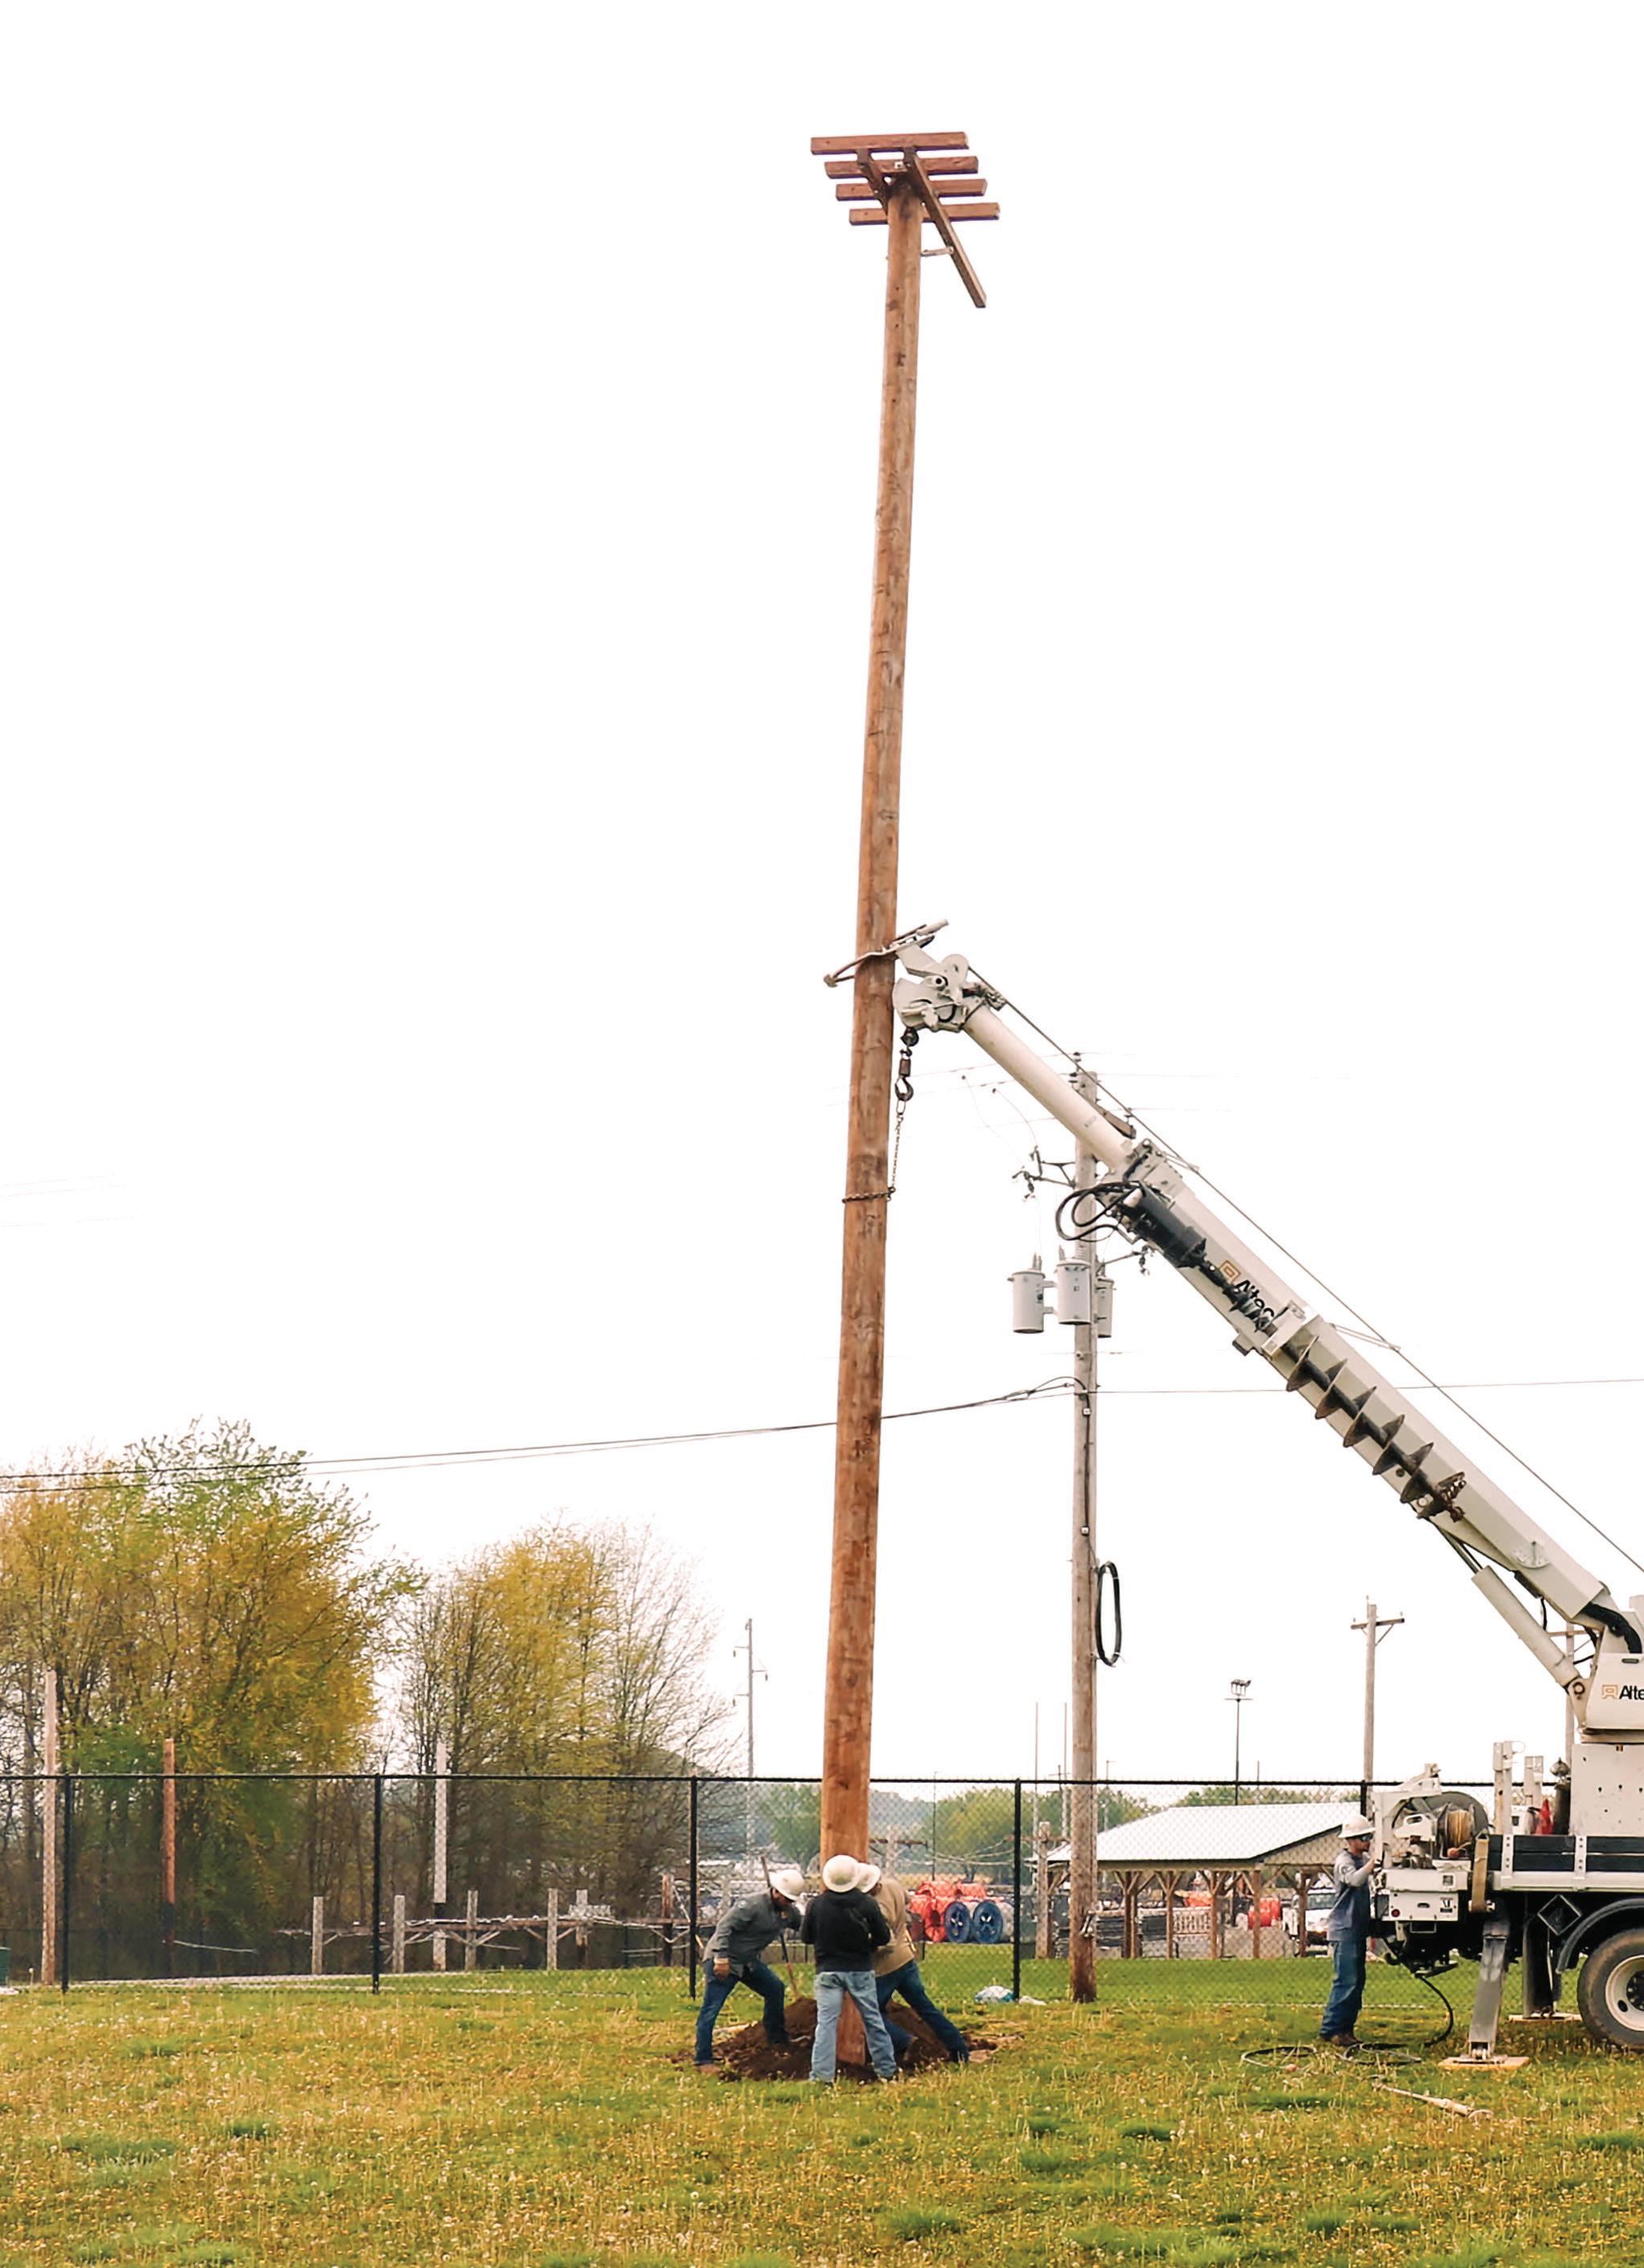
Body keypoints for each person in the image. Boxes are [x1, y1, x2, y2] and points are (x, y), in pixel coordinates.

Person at [694, 1866, 806, 2070]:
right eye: (786, 1899)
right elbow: (724, 1928)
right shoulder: (751, 1905)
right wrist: (721, 1958)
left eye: (792, 1900)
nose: (788, 1903)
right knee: (712, 2008)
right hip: (725, 1960)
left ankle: (777, 2040)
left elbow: (804, 1927)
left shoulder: (788, 1911)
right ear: (776, 1891)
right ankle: (703, 2059)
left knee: (775, 1989)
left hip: (747, 1961)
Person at [801, 1854, 897, 2082]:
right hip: (860, 1969)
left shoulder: (817, 1904)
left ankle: (822, 2076)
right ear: (855, 1876)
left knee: (826, 2023)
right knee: (872, 2019)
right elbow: (883, 1937)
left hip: (828, 1971)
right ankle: (886, 2070)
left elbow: (806, 1937)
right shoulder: (867, 1903)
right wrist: (868, 1945)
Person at [861, 1862, 969, 2066]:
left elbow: (885, 1943)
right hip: (907, 1958)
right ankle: (958, 2049)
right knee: (926, 2008)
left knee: (870, 2013)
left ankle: (904, 2042)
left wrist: (865, 1947)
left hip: (885, 1968)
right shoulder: (893, 1885)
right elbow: (909, 1901)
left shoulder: (876, 1908)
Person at [1319, 1813, 1375, 2049]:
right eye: (1364, 1838)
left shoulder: (1363, 1859)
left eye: (1369, 1837)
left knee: (1356, 1981)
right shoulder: (1344, 1862)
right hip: (1344, 1929)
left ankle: (1346, 2029)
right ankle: (1331, 2029)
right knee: (1346, 1981)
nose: (1368, 1841)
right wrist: (1373, 1864)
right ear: (1351, 1840)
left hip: (1356, 1928)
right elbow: (1355, 1880)